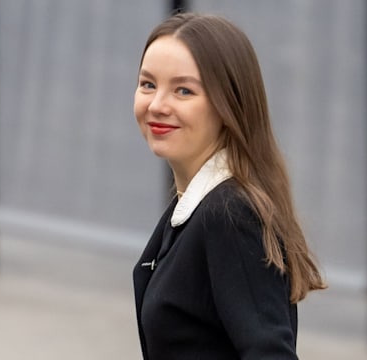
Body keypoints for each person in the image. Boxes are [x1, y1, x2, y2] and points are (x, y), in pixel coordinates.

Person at [132, 13, 327, 360]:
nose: (157, 105)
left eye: (183, 90)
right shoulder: (195, 207)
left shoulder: (230, 215)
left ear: (228, 105)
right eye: (148, 84)